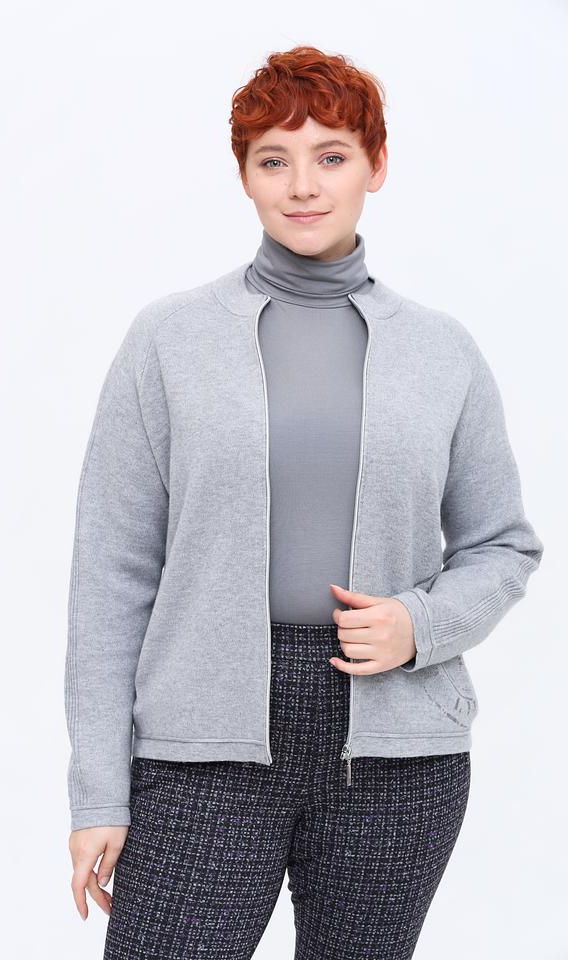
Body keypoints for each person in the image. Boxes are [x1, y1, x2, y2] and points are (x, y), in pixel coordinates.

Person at [64, 45, 544, 959]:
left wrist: (420, 625)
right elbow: (111, 576)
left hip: (398, 754)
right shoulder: (168, 341)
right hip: (201, 747)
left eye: (331, 155)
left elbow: (502, 544)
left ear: (376, 164)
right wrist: (98, 792)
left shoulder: (443, 352)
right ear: (244, 175)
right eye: (273, 160)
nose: (303, 186)